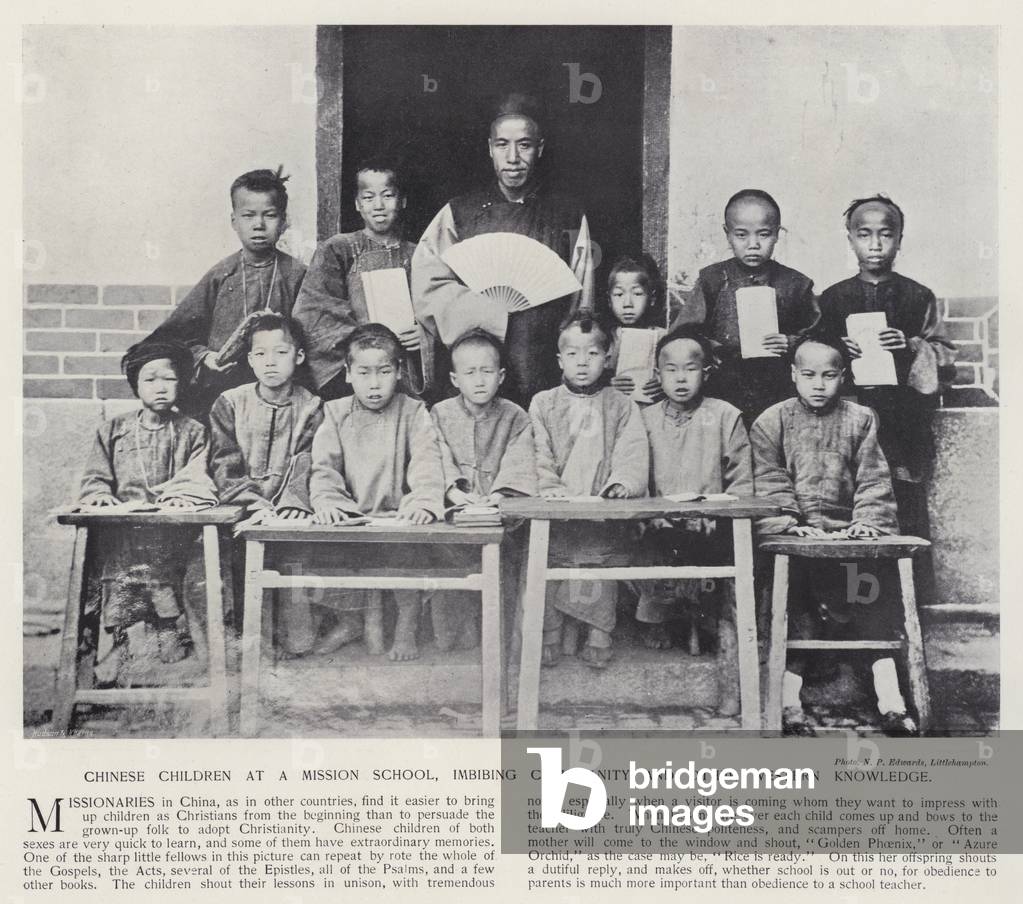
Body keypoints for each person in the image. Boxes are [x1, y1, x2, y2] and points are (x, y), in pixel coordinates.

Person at [751, 334, 916, 737]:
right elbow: (769, 480)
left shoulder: (861, 418)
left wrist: (868, 522)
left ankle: (891, 703)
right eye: (808, 375)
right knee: (797, 613)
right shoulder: (771, 421)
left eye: (829, 375)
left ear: (844, 376)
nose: (818, 384)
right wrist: (790, 523)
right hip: (798, 539)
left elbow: (873, 478)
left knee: (872, 606)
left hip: (849, 540)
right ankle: (789, 704)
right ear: (793, 375)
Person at [412, 92, 593, 406]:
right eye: (502, 145)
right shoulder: (459, 212)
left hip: (542, 361)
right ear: (490, 149)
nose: (513, 158)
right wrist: (489, 311)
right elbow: (428, 287)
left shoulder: (568, 216)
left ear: (540, 148)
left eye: (524, 145)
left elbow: (582, 300)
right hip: (476, 365)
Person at [815, 194, 955, 542]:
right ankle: (852, 594)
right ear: (850, 239)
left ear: (899, 240)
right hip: (849, 416)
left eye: (886, 234)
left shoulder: (918, 296)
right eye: (864, 234)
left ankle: (907, 594)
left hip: (902, 418)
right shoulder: (831, 299)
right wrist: (835, 350)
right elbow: (811, 356)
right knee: (848, 499)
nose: (875, 245)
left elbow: (945, 357)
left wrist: (910, 347)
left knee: (903, 499)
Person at [78, 340, 218, 683]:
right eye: (150, 380)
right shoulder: (113, 430)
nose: (160, 387)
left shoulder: (193, 432)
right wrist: (99, 495)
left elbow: (198, 476)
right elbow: (96, 476)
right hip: (122, 534)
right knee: (119, 581)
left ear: (181, 384)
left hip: (173, 532)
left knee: (166, 581)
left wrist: (185, 497)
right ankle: (118, 645)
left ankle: (171, 635)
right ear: (136, 386)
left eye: (168, 379)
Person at [634, 326, 752, 715]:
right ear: (657, 374)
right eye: (670, 369)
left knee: (714, 557)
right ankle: (659, 619)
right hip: (659, 524)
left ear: (707, 371)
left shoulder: (724, 416)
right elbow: (635, 474)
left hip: (710, 521)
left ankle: (705, 623)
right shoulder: (643, 418)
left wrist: (720, 508)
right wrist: (649, 513)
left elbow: (741, 479)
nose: (680, 378)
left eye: (690, 369)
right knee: (652, 546)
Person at [310, 324, 445, 661]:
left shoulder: (413, 411)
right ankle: (353, 621)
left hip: (399, 517)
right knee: (333, 558)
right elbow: (324, 466)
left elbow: (427, 461)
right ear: (348, 373)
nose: (374, 383)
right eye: (364, 373)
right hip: (354, 516)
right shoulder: (335, 412)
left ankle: (406, 625)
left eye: (384, 372)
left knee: (405, 559)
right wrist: (328, 501)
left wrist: (424, 501)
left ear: (399, 371)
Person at [529, 313, 649, 669]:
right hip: (558, 506)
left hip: (601, 506)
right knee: (552, 559)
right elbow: (537, 451)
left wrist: (622, 483)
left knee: (602, 557)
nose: (582, 362)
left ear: (608, 357)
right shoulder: (543, 403)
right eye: (573, 354)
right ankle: (550, 630)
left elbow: (633, 450)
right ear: (559, 359)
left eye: (593, 353)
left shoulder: (622, 405)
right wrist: (549, 487)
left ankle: (599, 631)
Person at [146, 167, 306, 419]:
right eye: (248, 215)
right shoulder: (221, 275)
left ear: (284, 221)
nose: (259, 224)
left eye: (270, 215)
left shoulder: (298, 275)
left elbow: (311, 337)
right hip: (222, 394)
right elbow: (175, 335)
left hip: (281, 394)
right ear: (234, 221)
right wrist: (205, 357)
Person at [208, 312, 324, 656]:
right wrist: (250, 500)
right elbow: (222, 459)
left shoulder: (312, 407)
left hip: (291, 511)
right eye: (261, 354)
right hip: (243, 511)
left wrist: (292, 501)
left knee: (295, 575)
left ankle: (297, 635)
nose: (270, 362)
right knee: (241, 574)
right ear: (249, 360)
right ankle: (253, 641)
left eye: (281, 353)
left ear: (298, 357)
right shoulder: (230, 403)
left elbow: (309, 458)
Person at [669, 189, 817, 426]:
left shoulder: (795, 284)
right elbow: (682, 334)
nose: (753, 245)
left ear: (778, 234)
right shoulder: (713, 279)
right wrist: (709, 348)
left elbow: (819, 337)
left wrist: (791, 342)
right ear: (727, 234)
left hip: (778, 387)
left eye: (764, 234)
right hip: (721, 386)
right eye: (741, 235)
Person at [430, 328, 537, 650]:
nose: (479, 381)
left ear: (501, 376)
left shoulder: (515, 416)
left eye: (487, 372)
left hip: (500, 513)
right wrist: (453, 491)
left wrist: (501, 494)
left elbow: (520, 459)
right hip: (456, 509)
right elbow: (435, 452)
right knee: (448, 561)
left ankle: (497, 635)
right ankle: (452, 631)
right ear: (454, 378)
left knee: (505, 564)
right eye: (470, 373)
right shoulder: (441, 414)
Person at [291, 158, 425, 401]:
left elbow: (435, 305)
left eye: (388, 195)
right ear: (357, 204)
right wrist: (365, 339)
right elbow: (314, 310)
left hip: (406, 369)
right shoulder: (338, 249)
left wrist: (425, 333)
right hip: (355, 370)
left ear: (402, 201)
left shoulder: (420, 254)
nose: (378, 205)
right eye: (368, 197)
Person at [605, 254, 667, 404]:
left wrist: (665, 383)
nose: (628, 303)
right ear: (609, 300)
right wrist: (607, 384)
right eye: (619, 294)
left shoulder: (663, 336)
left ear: (651, 299)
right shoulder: (605, 338)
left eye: (637, 293)